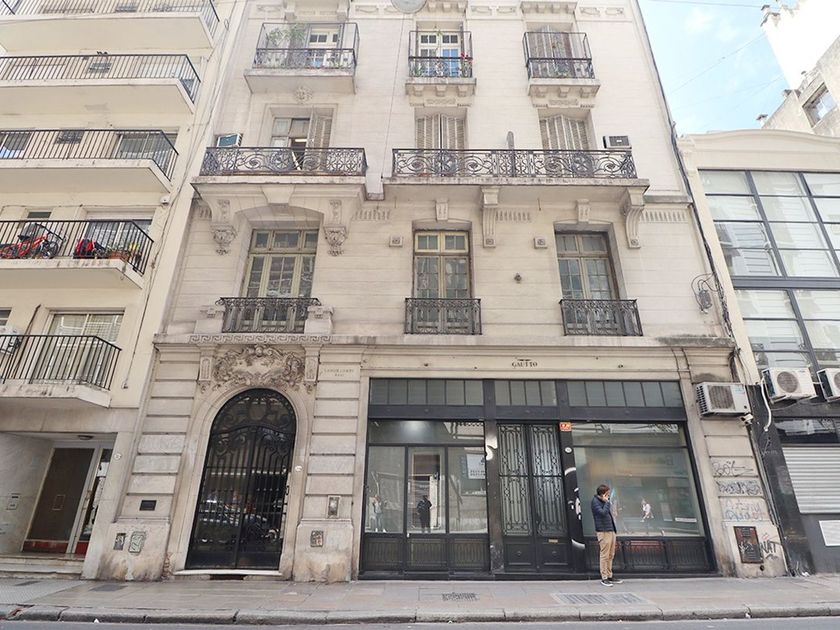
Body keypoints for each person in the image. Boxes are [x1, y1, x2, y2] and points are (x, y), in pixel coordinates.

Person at [591, 484, 622, 587]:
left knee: (611, 554)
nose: (608, 496)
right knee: (604, 555)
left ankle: (609, 575)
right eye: (607, 494)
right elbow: (602, 513)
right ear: (603, 494)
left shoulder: (604, 502)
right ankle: (604, 577)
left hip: (610, 530)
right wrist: (607, 503)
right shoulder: (595, 502)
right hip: (603, 531)